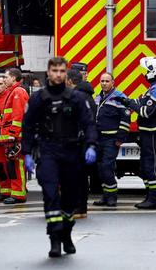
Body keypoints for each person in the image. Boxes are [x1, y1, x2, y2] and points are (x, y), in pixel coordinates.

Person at [21, 56, 97, 258]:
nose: (58, 74)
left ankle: (66, 233)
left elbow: (89, 123)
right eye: (55, 71)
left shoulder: (76, 97)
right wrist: (26, 152)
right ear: (48, 72)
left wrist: (91, 145)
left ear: (66, 73)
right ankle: (55, 239)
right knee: (50, 195)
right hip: (48, 150)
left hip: (72, 151)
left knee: (70, 197)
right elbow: (27, 126)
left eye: (62, 71)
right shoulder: (38, 98)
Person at [114, 57, 156, 210]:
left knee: (151, 166)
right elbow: (142, 102)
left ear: (155, 72)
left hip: (151, 133)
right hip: (146, 132)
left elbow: (146, 111)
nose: (146, 74)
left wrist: (131, 104)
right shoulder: (155, 88)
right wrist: (127, 101)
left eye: (148, 71)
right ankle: (149, 196)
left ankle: (153, 199)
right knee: (144, 167)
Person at [92, 72, 130, 207]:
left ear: (113, 82)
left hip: (111, 139)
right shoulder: (98, 97)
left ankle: (112, 197)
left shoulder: (120, 97)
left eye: (107, 81)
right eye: (102, 81)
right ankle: (105, 195)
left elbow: (126, 120)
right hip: (99, 138)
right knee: (100, 168)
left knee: (107, 166)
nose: (104, 84)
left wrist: (120, 138)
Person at [67, 64, 96, 218]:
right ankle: (81, 208)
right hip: (85, 141)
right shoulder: (88, 96)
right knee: (82, 176)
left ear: (70, 81)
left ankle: (77, 208)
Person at [1, 68, 30, 203]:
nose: (4, 79)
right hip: (15, 135)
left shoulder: (18, 92)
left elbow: (18, 115)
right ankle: (16, 192)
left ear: (13, 78)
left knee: (18, 165)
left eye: (6, 77)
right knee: (14, 165)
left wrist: (13, 133)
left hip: (17, 136)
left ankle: (19, 194)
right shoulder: (14, 91)